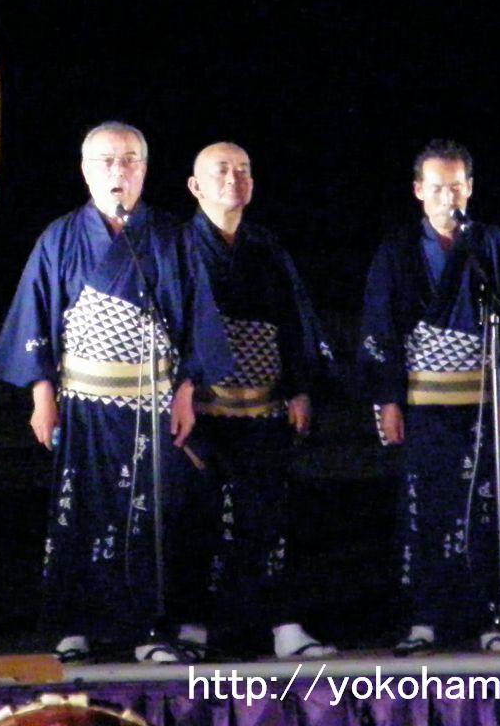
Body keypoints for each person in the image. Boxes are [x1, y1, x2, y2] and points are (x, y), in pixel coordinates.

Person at [0, 121, 233, 664]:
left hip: (152, 403)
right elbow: (36, 316)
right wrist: (42, 395)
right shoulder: (59, 238)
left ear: (144, 169)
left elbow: (196, 318)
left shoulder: (172, 237)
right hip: (83, 405)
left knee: (151, 516)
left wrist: (186, 391)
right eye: (106, 161)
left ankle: (149, 630)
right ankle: (74, 626)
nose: (117, 171)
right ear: (85, 170)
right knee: (80, 511)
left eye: (129, 160)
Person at [359, 140, 500, 656]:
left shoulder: (491, 245)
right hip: (422, 402)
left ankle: (492, 617)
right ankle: (423, 619)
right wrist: (388, 399)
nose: (447, 197)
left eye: (456, 187)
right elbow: (380, 325)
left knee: (485, 509)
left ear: (470, 189)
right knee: (425, 508)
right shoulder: (398, 250)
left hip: (482, 398)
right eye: (436, 187)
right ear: (418, 191)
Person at [177, 141, 337, 660]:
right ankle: (192, 626)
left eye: (243, 170)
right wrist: (178, 391)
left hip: (263, 408)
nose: (234, 178)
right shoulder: (178, 247)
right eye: (221, 170)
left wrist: (299, 387)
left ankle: (283, 625)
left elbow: (295, 322)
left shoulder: (267, 248)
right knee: (197, 519)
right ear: (195, 186)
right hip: (200, 410)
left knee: (269, 518)